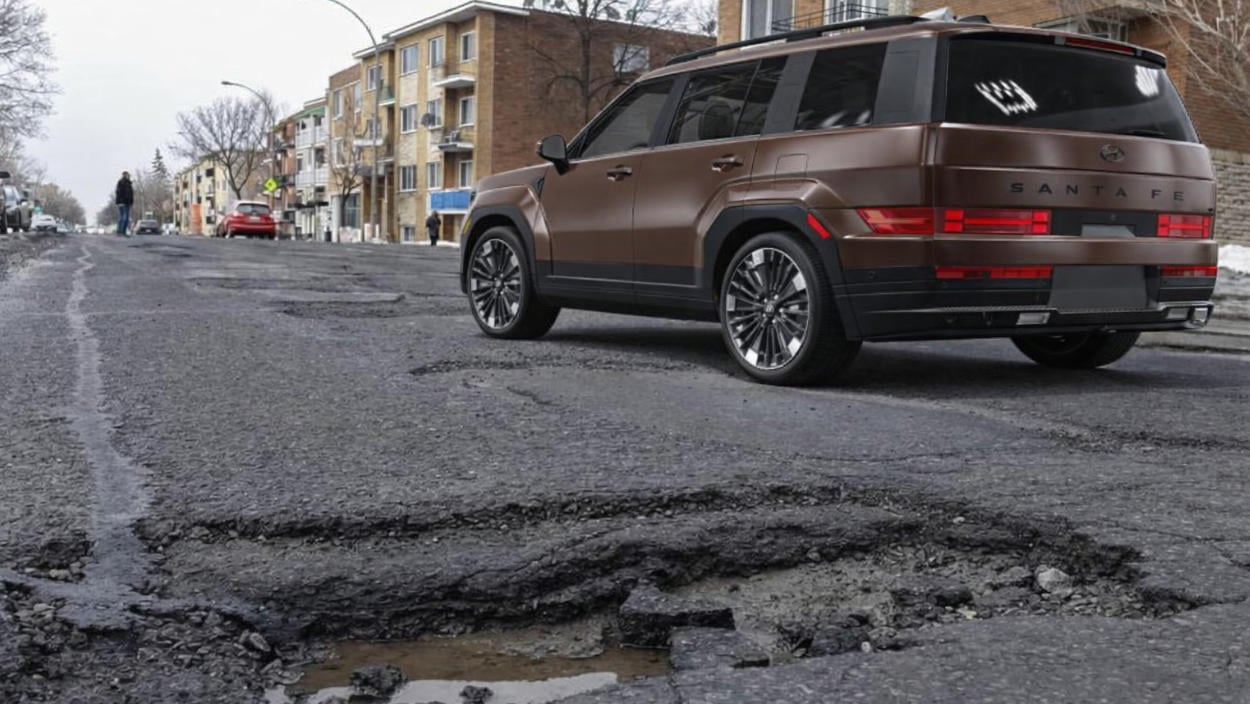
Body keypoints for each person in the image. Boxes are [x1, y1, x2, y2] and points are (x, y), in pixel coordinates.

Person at [115, 171, 134, 236]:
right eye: (127, 175)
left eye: (128, 175)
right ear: (124, 175)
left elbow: (131, 194)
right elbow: (118, 192)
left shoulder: (129, 183)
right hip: (122, 202)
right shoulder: (121, 182)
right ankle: (120, 231)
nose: (128, 176)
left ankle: (123, 231)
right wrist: (120, 201)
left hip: (128, 203)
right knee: (123, 217)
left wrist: (131, 202)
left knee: (126, 218)